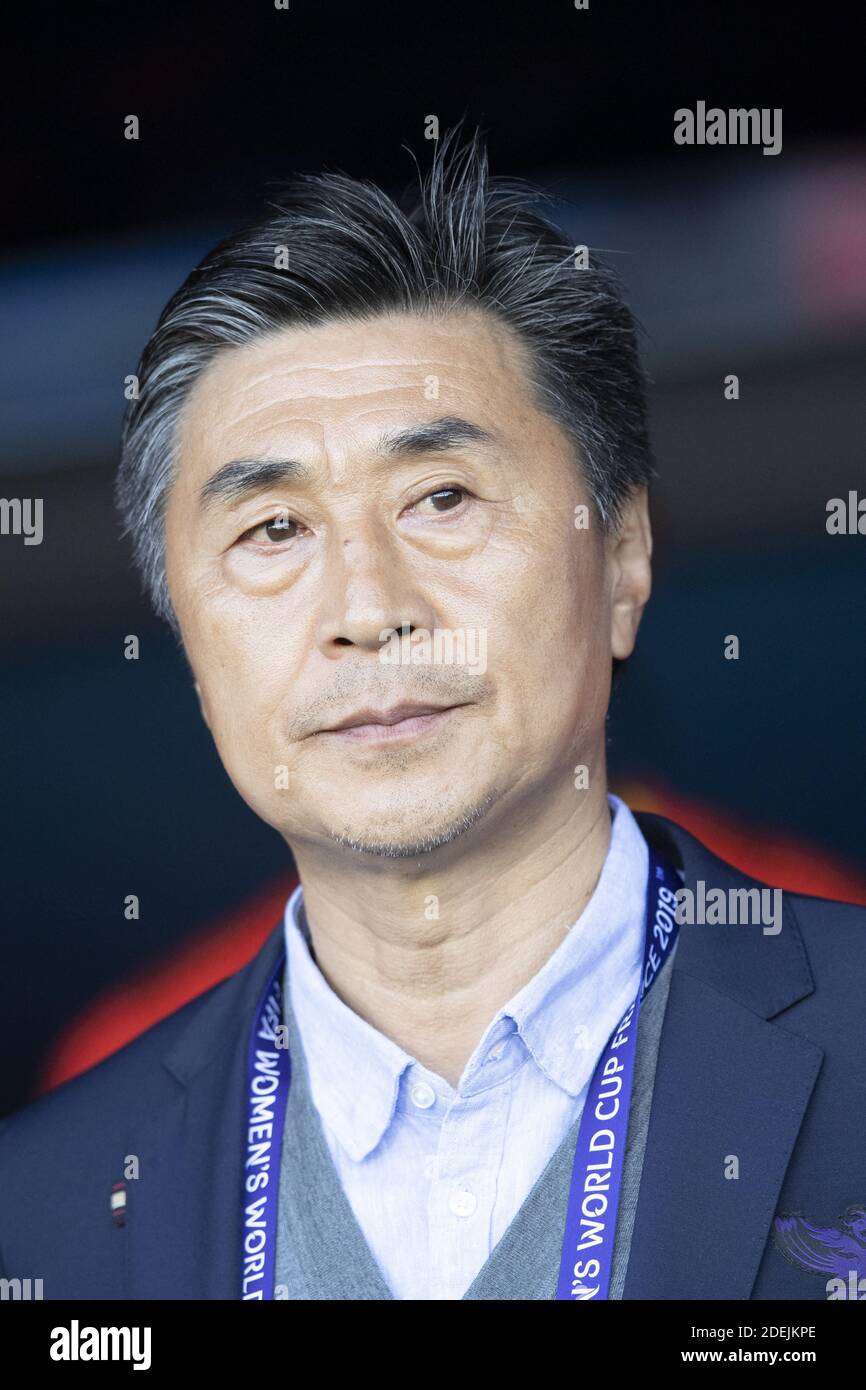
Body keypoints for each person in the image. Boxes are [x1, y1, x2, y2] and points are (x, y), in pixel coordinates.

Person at [1, 127, 863, 1302]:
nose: (366, 608)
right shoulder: (45, 1208)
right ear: (192, 648)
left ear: (620, 553)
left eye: (442, 497)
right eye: (272, 531)